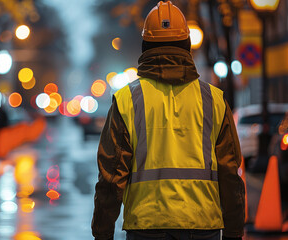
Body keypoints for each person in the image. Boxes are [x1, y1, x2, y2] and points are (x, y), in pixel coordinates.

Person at [91, 1, 245, 240]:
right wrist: (234, 232)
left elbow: (111, 178)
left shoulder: (127, 100)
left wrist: (102, 233)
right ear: (187, 45)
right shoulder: (214, 100)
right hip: (203, 227)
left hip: (146, 228)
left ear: (145, 46)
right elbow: (230, 173)